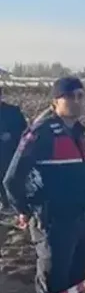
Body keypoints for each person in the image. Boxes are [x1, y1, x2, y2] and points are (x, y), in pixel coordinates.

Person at [2, 77, 85, 293]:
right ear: (56, 101)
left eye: (81, 96)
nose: (77, 101)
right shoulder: (41, 132)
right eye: (71, 96)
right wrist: (25, 209)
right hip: (53, 221)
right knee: (53, 284)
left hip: (80, 218)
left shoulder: (79, 132)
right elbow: (12, 179)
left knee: (74, 281)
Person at [0, 86, 28, 214]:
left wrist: (11, 135)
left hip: (9, 153)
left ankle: (12, 204)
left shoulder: (13, 112)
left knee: (9, 179)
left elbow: (25, 131)